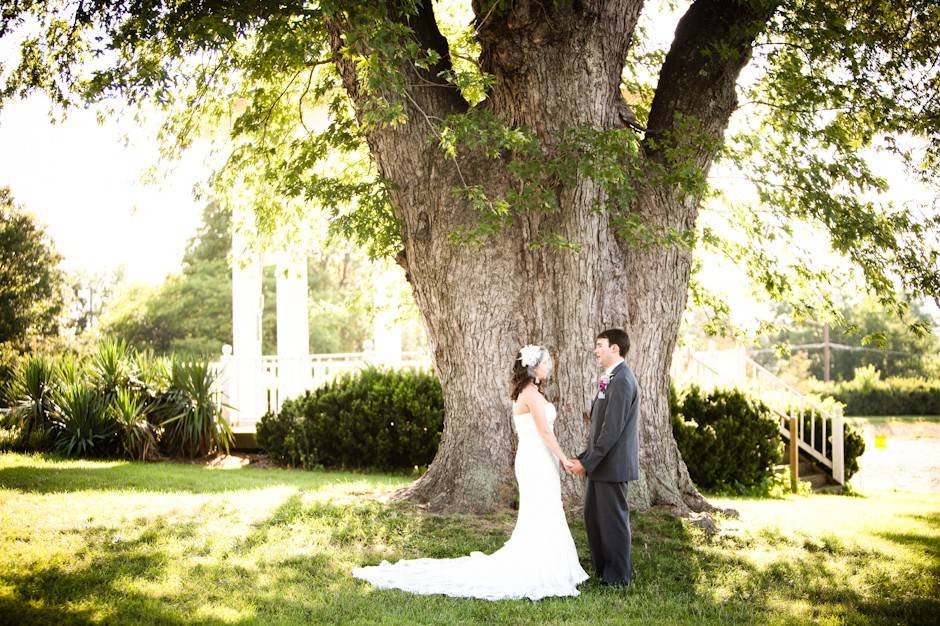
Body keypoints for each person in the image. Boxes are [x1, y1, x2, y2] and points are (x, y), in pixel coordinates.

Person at [352, 344, 588, 600]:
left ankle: (551, 560)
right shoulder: (530, 394)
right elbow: (544, 431)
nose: (548, 367)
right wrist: (564, 458)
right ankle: (543, 566)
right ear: (533, 367)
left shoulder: (528, 391)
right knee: (543, 507)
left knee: (545, 507)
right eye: (545, 363)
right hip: (536, 459)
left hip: (538, 458)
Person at [567, 328, 640, 586]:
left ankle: (618, 577)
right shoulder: (610, 378)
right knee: (594, 518)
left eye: (600, 345)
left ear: (614, 349)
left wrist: (586, 463)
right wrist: (585, 458)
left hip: (613, 466)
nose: (595, 350)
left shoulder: (622, 381)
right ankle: (603, 570)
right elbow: (600, 428)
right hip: (601, 465)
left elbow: (611, 432)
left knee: (613, 522)